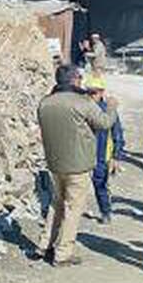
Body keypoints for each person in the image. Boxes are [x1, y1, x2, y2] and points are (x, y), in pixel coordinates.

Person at [37, 65, 117, 266]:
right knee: (73, 209)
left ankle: (44, 245)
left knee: (56, 205)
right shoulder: (83, 103)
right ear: (73, 80)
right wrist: (112, 107)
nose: (81, 82)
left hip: (55, 163)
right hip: (78, 165)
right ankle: (63, 253)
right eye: (79, 78)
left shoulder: (45, 103)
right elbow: (105, 123)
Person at [84, 75, 125, 225]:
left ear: (102, 92)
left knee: (99, 183)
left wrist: (116, 156)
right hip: (83, 154)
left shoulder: (108, 109)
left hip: (102, 155)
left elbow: (117, 133)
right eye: (89, 92)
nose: (91, 95)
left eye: (94, 92)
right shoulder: (82, 107)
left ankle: (105, 211)